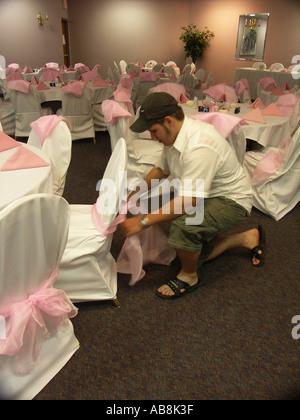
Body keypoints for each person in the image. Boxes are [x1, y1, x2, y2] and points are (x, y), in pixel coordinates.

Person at [119, 92, 266, 299]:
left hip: (232, 201)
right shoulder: (175, 136)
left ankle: (189, 276)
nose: (152, 136)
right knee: (181, 241)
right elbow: (161, 170)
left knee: (182, 227)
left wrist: (143, 222)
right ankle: (245, 238)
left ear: (169, 121)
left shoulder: (199, 144)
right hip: (208, 195)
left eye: (153, 130)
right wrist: (134, 194)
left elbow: (189, 201)